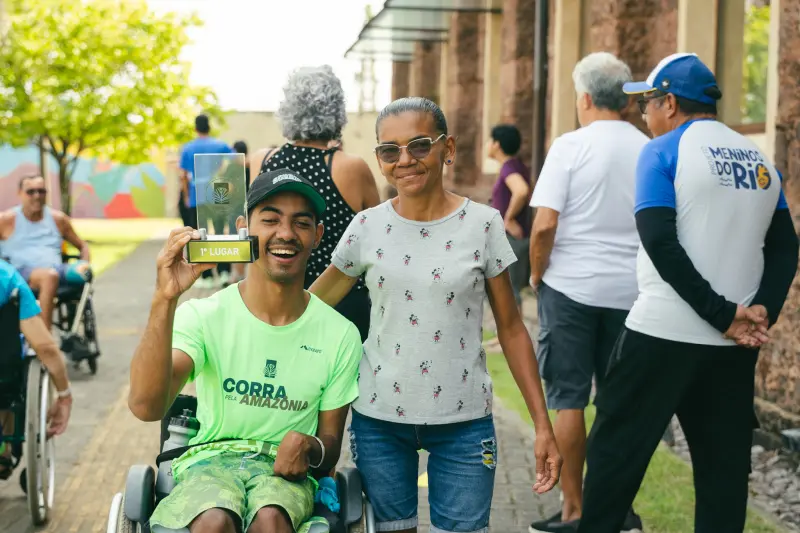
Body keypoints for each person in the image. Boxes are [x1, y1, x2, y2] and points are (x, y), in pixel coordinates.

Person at [309, 96, 562, 533]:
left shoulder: (483, 224)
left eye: (420, 145)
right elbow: (311, 305)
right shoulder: (366, 227)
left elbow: (512, 329)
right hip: (379, 419)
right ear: (380, 159)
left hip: (463, 423)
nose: (404, 160)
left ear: (448, 148)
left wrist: (542, 425)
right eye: (390, 151)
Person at [577, 53, 799, 533]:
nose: (644, 115)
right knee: (723, 477)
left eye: (648, 104)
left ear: (670, 103)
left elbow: (659, 240)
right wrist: (761, 310)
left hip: (662, 333)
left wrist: (722, 313)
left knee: (614, 460)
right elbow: (786, 247)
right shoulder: (759, 160)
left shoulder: (660, 152)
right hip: (731, 347)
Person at [128, 168, 363, 533]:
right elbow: (146, 406)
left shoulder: (340, 334)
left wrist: (310, 447)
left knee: (270, 518)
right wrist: (165, 298)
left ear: (317, 235)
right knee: (214, 519)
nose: (285, 233)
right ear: (243, 227)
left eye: (301, 223)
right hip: (208, 464)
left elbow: (329, 446)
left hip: (284, 478)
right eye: (270, 219)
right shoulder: (205, 315)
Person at [526, 52, 649, 533]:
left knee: (569, 399)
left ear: (584, 98)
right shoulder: (648, 148)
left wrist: (537, 276)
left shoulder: (570, 145)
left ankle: (576, 510)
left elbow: (544, 227)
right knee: (619, 403)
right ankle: (615, 510)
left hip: (571, 288)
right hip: (632, 294)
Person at [250, 65, 380, 342]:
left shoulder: (262, 160)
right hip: (341, 306)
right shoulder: (350, 168)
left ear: (287, 109)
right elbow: (377, 239)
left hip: (276, 304)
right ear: (337, 111)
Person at [0, 260, 72, 479]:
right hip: (4, 376)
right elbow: (45, 349)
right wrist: (64, 396)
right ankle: (4, 451)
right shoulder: (7, 278)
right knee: (8, 386)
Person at [0, 175, 91, 331]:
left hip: (57, 268)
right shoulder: (6, 220)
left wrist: (84, 263)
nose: (37, 196)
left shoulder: (58, 219)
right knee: (50, 276)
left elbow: (83, 246)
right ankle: (45, 336)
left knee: (82, 272)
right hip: (22, 272)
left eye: (41, 191)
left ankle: (73, 335)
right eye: (31, 192)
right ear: (20, 193)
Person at [178, 114, 234, 289]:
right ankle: (224, 272)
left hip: (198, 196)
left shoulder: (188, 148)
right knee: (219, 232)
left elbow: (183, 176)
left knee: (199, 235)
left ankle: (206, 275)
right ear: (209, 127)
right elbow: (237, 162)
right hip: (218, 194)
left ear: (195, 128)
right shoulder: (221, 145)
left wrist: (187, 197)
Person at [487, 123, 532, 317]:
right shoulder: (515, 166)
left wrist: (509, 218)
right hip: (511, 237)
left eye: (490, 140)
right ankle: (502, 336)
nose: (487, 145)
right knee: (507, 288)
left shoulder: (509, 167)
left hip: (511, 238)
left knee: (510, 288)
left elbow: (521, 191)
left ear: (497, 144)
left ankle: (512, 337)